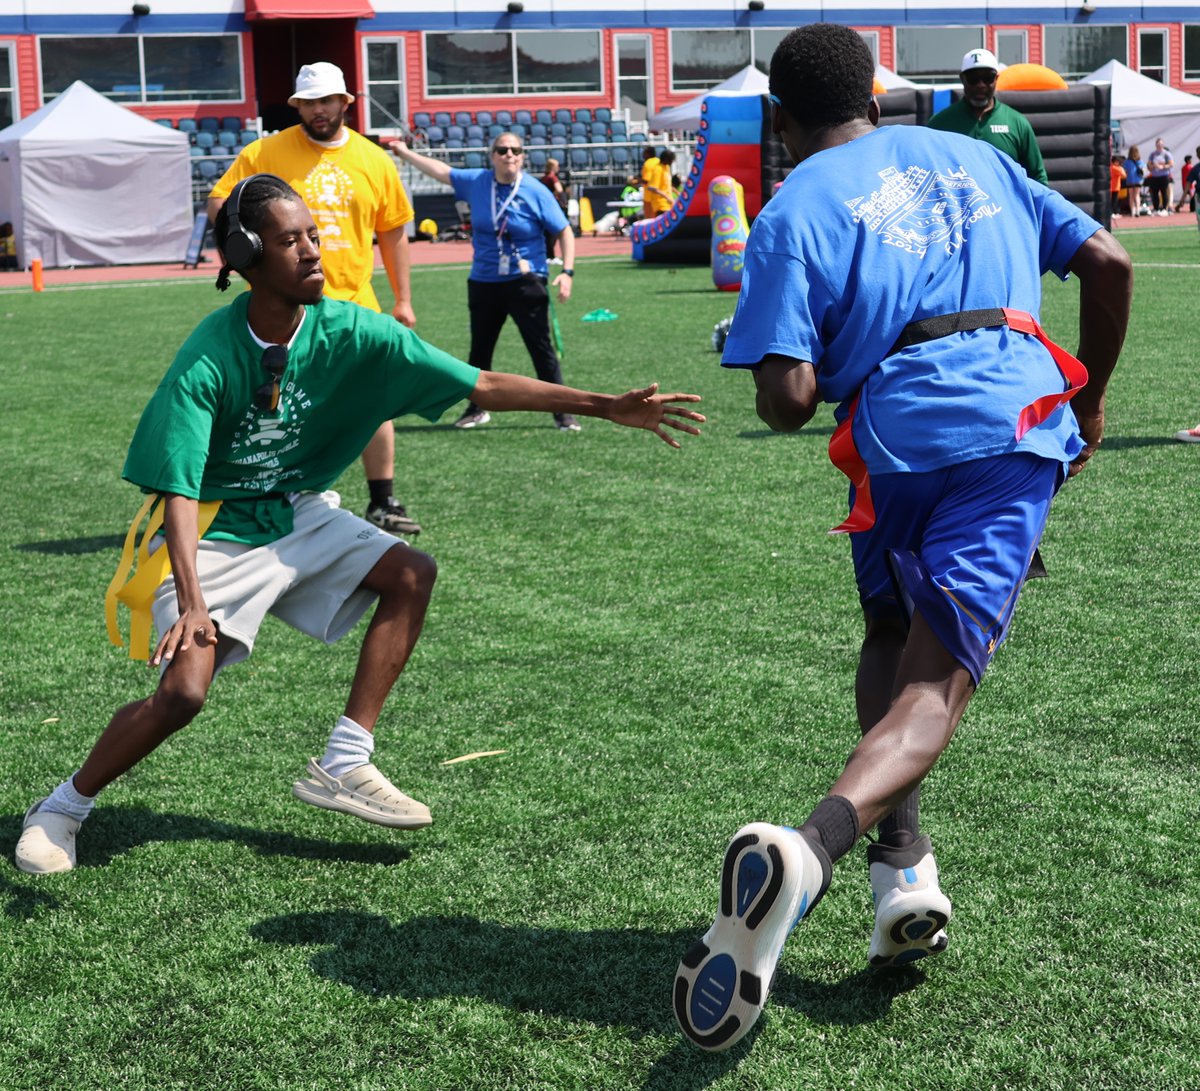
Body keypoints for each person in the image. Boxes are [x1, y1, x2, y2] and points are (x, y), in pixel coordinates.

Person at [13, 174, 705, 876]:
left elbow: (479, 384)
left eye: (314, 235)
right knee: (185, 692)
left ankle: (345, 759)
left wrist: (602, 405)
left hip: (292, 510)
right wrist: (193, 601)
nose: (315, 251)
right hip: (215, 528)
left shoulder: (352, 331)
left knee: (412, 572)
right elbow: (179, 492)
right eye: (292, 241)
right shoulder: (208, 354)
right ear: (248, 257)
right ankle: (63, 806)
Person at [673, 23, 1131, 1052]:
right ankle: (815, 847)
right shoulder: (981, 154)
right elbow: (1107, 258)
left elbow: (788, 401)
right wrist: (1090, 401)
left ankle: (903, 863)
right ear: (878, 98)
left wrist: (784, 354)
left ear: (781, 124)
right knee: (937, 683)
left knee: (890, 631)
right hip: (1006, 422)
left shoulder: (791, 207)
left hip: (891, 436)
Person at [207, 62, 422, 537]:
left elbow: (393, 233)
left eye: (327, 101)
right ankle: (269, 495)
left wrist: (402, 300)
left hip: (354, 301)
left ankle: (383, 501)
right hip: (284, 305)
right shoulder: (266, 151)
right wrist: (242, 257)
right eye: (308, 102)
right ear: (297, 106)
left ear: (346, 103)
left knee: (374, 402)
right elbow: (221, 201)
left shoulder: (373, 160)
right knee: (275, 403)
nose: (318, 111)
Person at [390, 133, 580, 432]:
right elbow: (439, 170)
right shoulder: (478, 181)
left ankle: (563, 412)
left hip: (525, 281)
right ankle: (476, 408)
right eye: (502, 150)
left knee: (540, 349)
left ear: (522, 156)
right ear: (492, 156)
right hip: (484, 281)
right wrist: (404, 153)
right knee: (479, 352)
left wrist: (567, 274)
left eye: (515, 150)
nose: (509, 155)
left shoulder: (535, 190)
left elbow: (565, 232)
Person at [928, 48, 1048, 184]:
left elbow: (1038, 177)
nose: (981, 85)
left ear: (996, 78)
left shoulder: (1017, 123)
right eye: (973, 78)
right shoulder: (940, 124)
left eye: (987, 78)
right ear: (962, 79)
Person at [539, 156, 570, 257]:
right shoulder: (553, 177)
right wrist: (553, 195)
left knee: (546, 232)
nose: (558, 168)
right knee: (554, 231)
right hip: (553, 205)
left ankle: (548, 254)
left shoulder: (543, 178)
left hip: (544, 206)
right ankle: (551, 256)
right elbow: (559, 189)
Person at [1145, 138, 1174, 215]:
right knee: (1154, 193)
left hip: (1164, 176)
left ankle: (1165, 208)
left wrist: (1163, 166)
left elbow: (1171, 164)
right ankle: (1156, 208)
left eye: (1161, 144)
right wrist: (1153, 166)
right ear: (1156, 145)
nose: (1159, 146)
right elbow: (1148, 165)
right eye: (1158, 144)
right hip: (1154, 176)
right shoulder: (1153, 154)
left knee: (1164, 192)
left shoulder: (1166, 154)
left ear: (1163, 145)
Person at [645, 148, 677, 217]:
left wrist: (677, 193)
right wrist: (667, 197)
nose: (672, 162)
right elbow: (652, 188)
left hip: (668, 204)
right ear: (666, 159)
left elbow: (666, 185)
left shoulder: (666, 167)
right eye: (671, 160)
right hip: (661, 205)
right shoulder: (658, 169)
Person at [1123, 146, 1146, 217]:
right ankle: (1137, 211)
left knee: (1131, 196)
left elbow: (1125, 171)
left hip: (1130, 180)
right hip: (1138, 180)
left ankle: (1132, 212)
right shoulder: (1140, 161)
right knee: (1137, 195)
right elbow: (1144, 169)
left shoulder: (1127, 161)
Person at [641, 145, 661, 220]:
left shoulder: (648, 163)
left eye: (644, 153)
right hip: (659, 195)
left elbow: (647, 180)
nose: (642, 155)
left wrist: (635, 181)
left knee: (649, 219)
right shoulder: (659, 161)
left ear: (648, 153)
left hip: (649, 197)